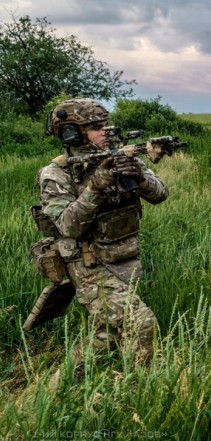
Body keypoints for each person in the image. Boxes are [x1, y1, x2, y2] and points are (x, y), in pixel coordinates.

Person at [31, 98, 168, 378]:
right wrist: (96, 185)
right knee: (141, 324)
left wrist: (141, 177)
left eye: (105, 124)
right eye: (95, 127)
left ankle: (54, 391)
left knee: (107, 337)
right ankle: (142, 393)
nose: (105, 131)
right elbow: (68, 226)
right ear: (71, 132)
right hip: (88, 263)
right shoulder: (56, 174)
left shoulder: (120, 156)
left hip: (122, 257)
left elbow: (160, 195)